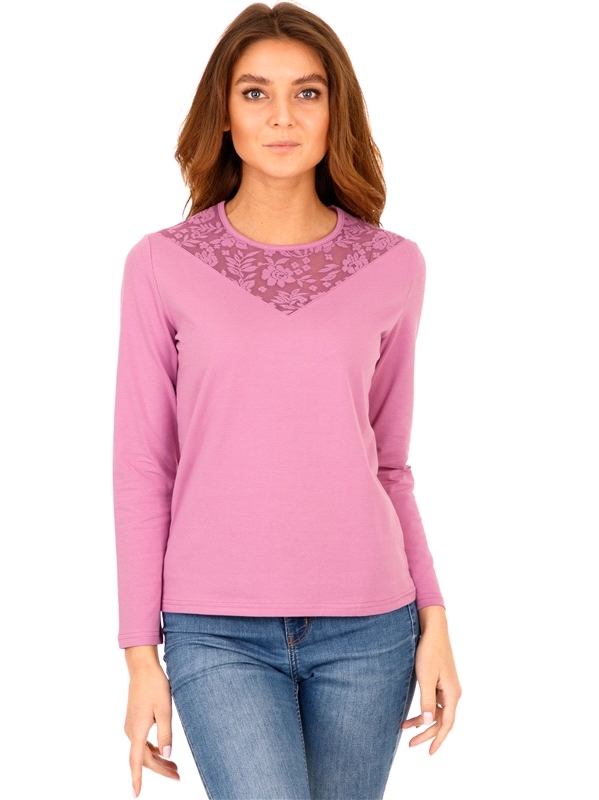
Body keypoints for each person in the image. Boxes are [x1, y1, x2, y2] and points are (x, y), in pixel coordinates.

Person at [113, 3, 462, 798]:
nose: (281, 116)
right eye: (254, 93)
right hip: (215, 630)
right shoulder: (161, 265)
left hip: (371, 628)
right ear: (223, 114)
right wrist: (139, 655)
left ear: (336, 111)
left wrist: (435, 618)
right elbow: (142, 468)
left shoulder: (393, 265)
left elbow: (389, 464)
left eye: (307, 93)